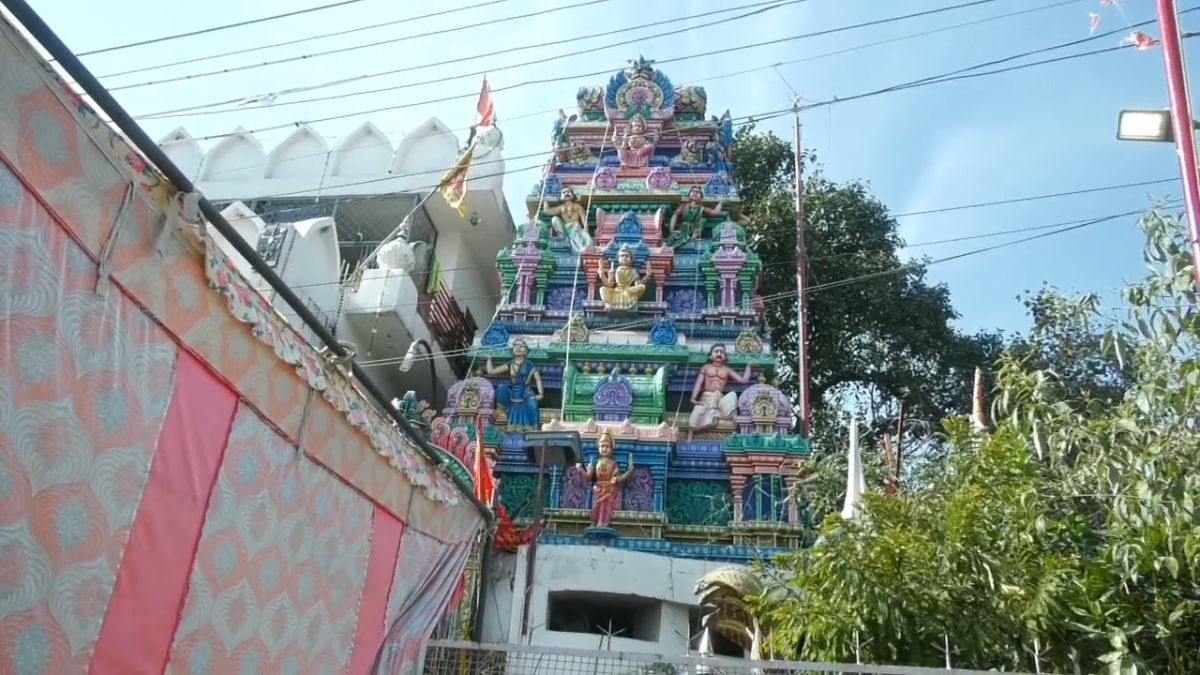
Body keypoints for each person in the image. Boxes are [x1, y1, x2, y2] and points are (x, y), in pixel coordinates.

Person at [687, 344, 752, 441]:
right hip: (706, 397)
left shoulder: (727, 369)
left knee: (732, 406)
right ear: (710, 356)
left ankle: (741, 433)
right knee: (696, 415)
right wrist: (693, 397)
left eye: (721, 352)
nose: (719, 354)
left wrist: (749, 366)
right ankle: (690, 435)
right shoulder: (706, 367)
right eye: (716, 351)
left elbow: (744, 380)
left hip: (720, 397)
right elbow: (699, 382)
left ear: (725, 356)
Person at [576, 429, 634, 528]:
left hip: (609, 489)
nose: (604, 449)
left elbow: (617, 479)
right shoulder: (594, 462)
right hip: (598, 489)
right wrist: (580, 469)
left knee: (606, 506)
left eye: (607, 446)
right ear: (598, 448)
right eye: (602, 446)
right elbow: (588, 476)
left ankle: (603, 523)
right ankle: (594, 522)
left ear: (611, 449)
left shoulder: (613, 463)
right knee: (595, 506)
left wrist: (628, 472)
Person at [485, 339, 543, 431]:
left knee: (533, 403)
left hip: (525, 394)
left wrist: (540, 394)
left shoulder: (529, 364)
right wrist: (489, 359)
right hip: (513, 394)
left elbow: (538, 379)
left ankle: (533, 426)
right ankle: (501, 410)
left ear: (526, 350)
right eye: (516, 346)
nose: (518, 348)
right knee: (501, 388)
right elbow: (491, 371)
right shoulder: (510, 364)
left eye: (521, 346)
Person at [598, 244, 652, 311]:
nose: (624, 258)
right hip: (616, 291)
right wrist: (602, 274)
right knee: (602, 289)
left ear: (631, 259)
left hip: (628, 291)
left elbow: (638, 284)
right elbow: (610, 284)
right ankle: (608, 304)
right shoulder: (615, 270)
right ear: (618, 258)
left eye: (627, 256)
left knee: (642, 287)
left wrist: (647, 276)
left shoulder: (632, 270)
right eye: (622, 255)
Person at [540, 186, 592, 253]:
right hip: (566, 229)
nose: (566, 193)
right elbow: (548, 211)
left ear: (572, 195)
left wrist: (586, 229)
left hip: (576, 228)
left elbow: (583, 218)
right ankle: (562, 238)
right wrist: (545, 201)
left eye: (568, 192)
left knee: (579, 236)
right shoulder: (561, 207)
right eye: (564, 192)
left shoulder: (577, 206)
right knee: (554, 219)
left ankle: (580, 249)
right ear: (561, 197)